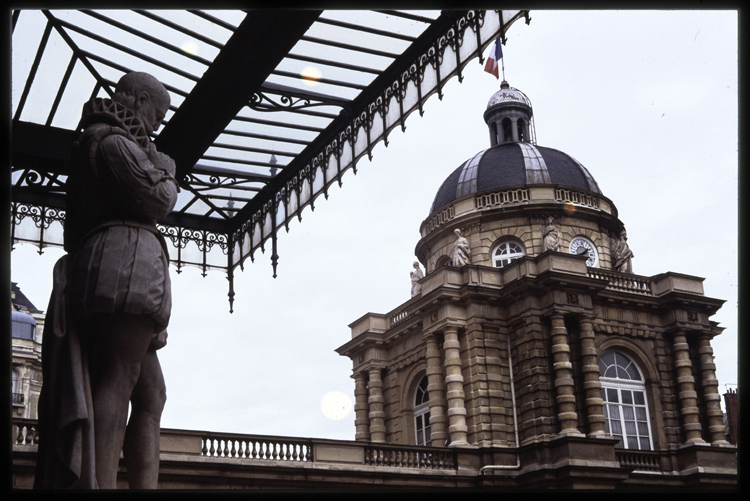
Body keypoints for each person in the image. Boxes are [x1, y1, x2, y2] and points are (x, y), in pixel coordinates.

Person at [35, 72, 178, 489]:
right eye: (157, 112)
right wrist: (165, 170)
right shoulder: (111, 140)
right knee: (119, 377)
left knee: (151, 395)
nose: (157, 123)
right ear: (136, 99)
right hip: (121, 268)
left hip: (125, 270)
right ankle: (94, 484)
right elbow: (157, 199)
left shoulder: (112, 142)